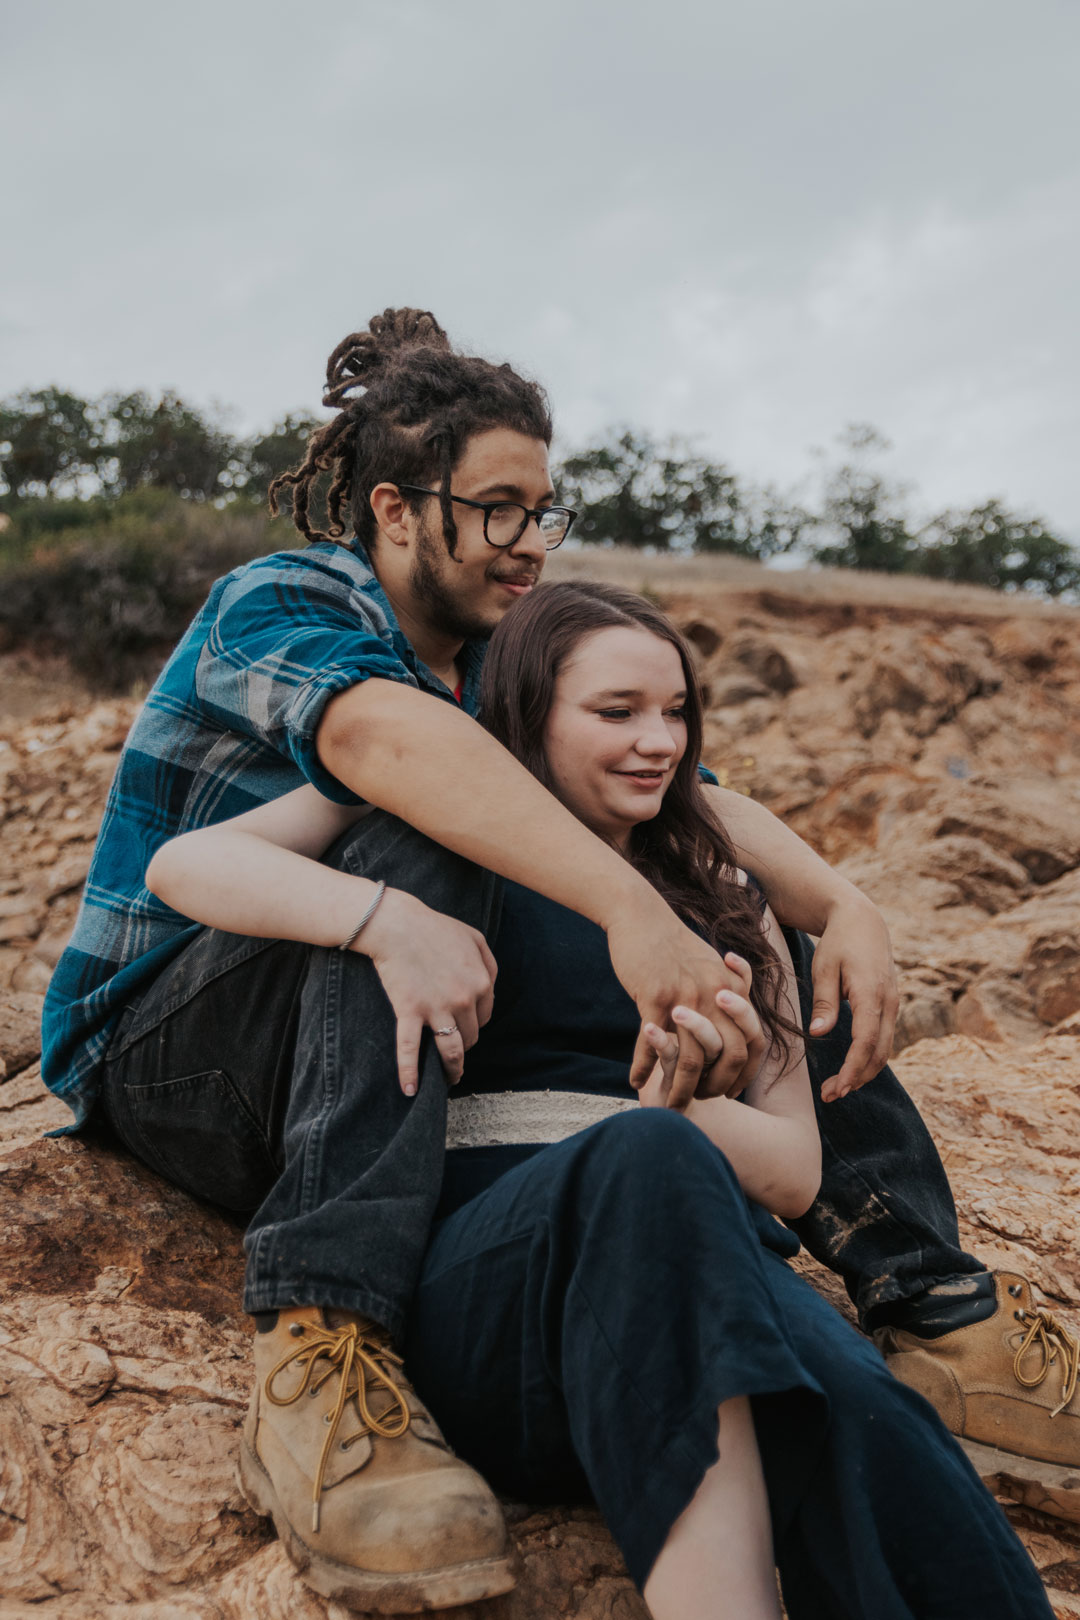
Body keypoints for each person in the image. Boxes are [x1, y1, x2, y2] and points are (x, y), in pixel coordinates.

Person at [39, 309, 1073, 1607]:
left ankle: (929, 1297)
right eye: (499, 508)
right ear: (397, 510)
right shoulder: (291, 601)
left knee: (728, 915)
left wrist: (840, 905)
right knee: (426, 836)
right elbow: (387, 752)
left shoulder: (494, 672)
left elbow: (686, 797)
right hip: (176, 1037)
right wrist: (611, 918)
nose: (531, 541)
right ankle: (326, 1332)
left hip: (372, 1065)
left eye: (546, 510)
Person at [144, 580, 1053, 1619]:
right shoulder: (433, 823)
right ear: (530, 713)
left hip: (706, 1270)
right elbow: (187, 864)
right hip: (498, 1294)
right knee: (650, 1166)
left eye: (675, 713)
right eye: (616, 713)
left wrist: (681, 1110)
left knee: (884, 1432)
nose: (658, 742)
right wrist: (383, 921)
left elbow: (798, 1168)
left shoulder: (731, 894)